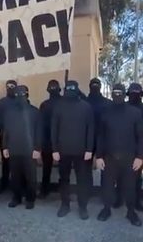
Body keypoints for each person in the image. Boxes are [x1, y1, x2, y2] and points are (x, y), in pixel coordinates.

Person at [96, 84, 143, 226]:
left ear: (125, 94)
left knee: (130, 187)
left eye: (120, 93)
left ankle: (131, 212)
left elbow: (141, 136)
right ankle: (106, 209)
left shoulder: (135, 112)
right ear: (112, 94)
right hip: (109, 157)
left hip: (130, 158)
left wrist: (140, 157)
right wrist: (98, 156)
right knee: (107, 186)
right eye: (115, 92)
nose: (117, 95)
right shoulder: (105, 112)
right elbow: (100, 136)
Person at [51, 80, 94, 220]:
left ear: (77, 90)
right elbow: (54, 129)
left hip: (82, 152)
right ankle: (65, 205)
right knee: (64, 179)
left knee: (82, 180)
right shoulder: (58, 106)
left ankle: (83, 207)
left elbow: (91, 129)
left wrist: (89, 149)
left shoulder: (86, 107)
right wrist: (55, 149)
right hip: (62, 151)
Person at [3, 85, 42, 210]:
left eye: (22, 94)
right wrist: (5, 147)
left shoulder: (34, 111)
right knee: (15, 176)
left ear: (27, 95)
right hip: (14, 149)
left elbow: (39, 132)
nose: (20, 97)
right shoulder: (9, 112)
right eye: (17, 95)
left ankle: (30, 199)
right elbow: (5, 131)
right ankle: (16, 197)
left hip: (30, 150)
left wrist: (37, 148)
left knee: (31, 177)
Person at [126, 83, 143, 211]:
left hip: (138, 151)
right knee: (121, 177)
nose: (134, 95)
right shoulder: (122, 108)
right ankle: (120, 198)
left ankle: (137, 201)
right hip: (124, 149)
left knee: (136, 178)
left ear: (141, 94)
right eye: (132, 93)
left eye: (137, 93)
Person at [86, 78, 111, 192]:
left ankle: (101, 191)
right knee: (86, 168)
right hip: (91, 139)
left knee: (104, 168)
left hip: (100, 139)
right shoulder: (84, 102)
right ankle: (96, 190)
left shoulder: (84, 102)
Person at [38, 80, 62, 198]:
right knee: (62, 169)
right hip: (58, 141)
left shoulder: (44, 104)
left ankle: (44, 190)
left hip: (49, 140)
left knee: (47, 168)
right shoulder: (64, 103)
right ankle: (62, 190)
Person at [0, 80, 17, 193]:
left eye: (12, 86)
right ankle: (4, 183)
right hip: (4, 136)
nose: (10, 88)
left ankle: (17, 185)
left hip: (19, 137)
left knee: (18, 162)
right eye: (8, 86)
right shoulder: (1, 102)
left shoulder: (20, 101)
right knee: (6, 161)